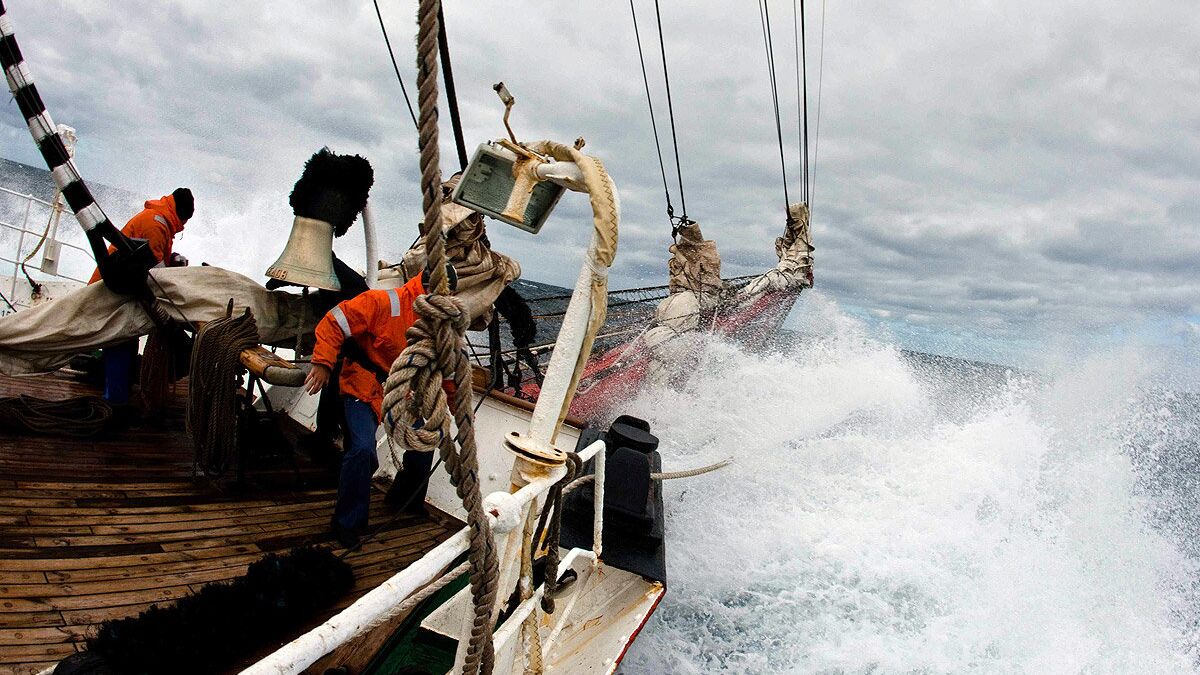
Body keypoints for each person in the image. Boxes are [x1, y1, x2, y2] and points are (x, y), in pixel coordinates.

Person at [303, 273, 429, 549]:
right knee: (362, 450)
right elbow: (335, 320)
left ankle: (405, 498)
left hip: (401, 390)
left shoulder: (440, 321)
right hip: (363, 383)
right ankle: (347, 522)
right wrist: (323, 362)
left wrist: (456, 405)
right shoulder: (383, 302)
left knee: (423, 442)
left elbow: (446, 364)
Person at [88, 188, 194, 403]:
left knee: (125, 340)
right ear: (181, 214)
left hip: (123, 287)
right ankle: (115, 401)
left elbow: (154, 261)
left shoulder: (160, 219)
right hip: (112, 291)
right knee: (121, 340)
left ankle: (119, 393)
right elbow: (155, 274)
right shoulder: (157, 224)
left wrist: (172, 259)